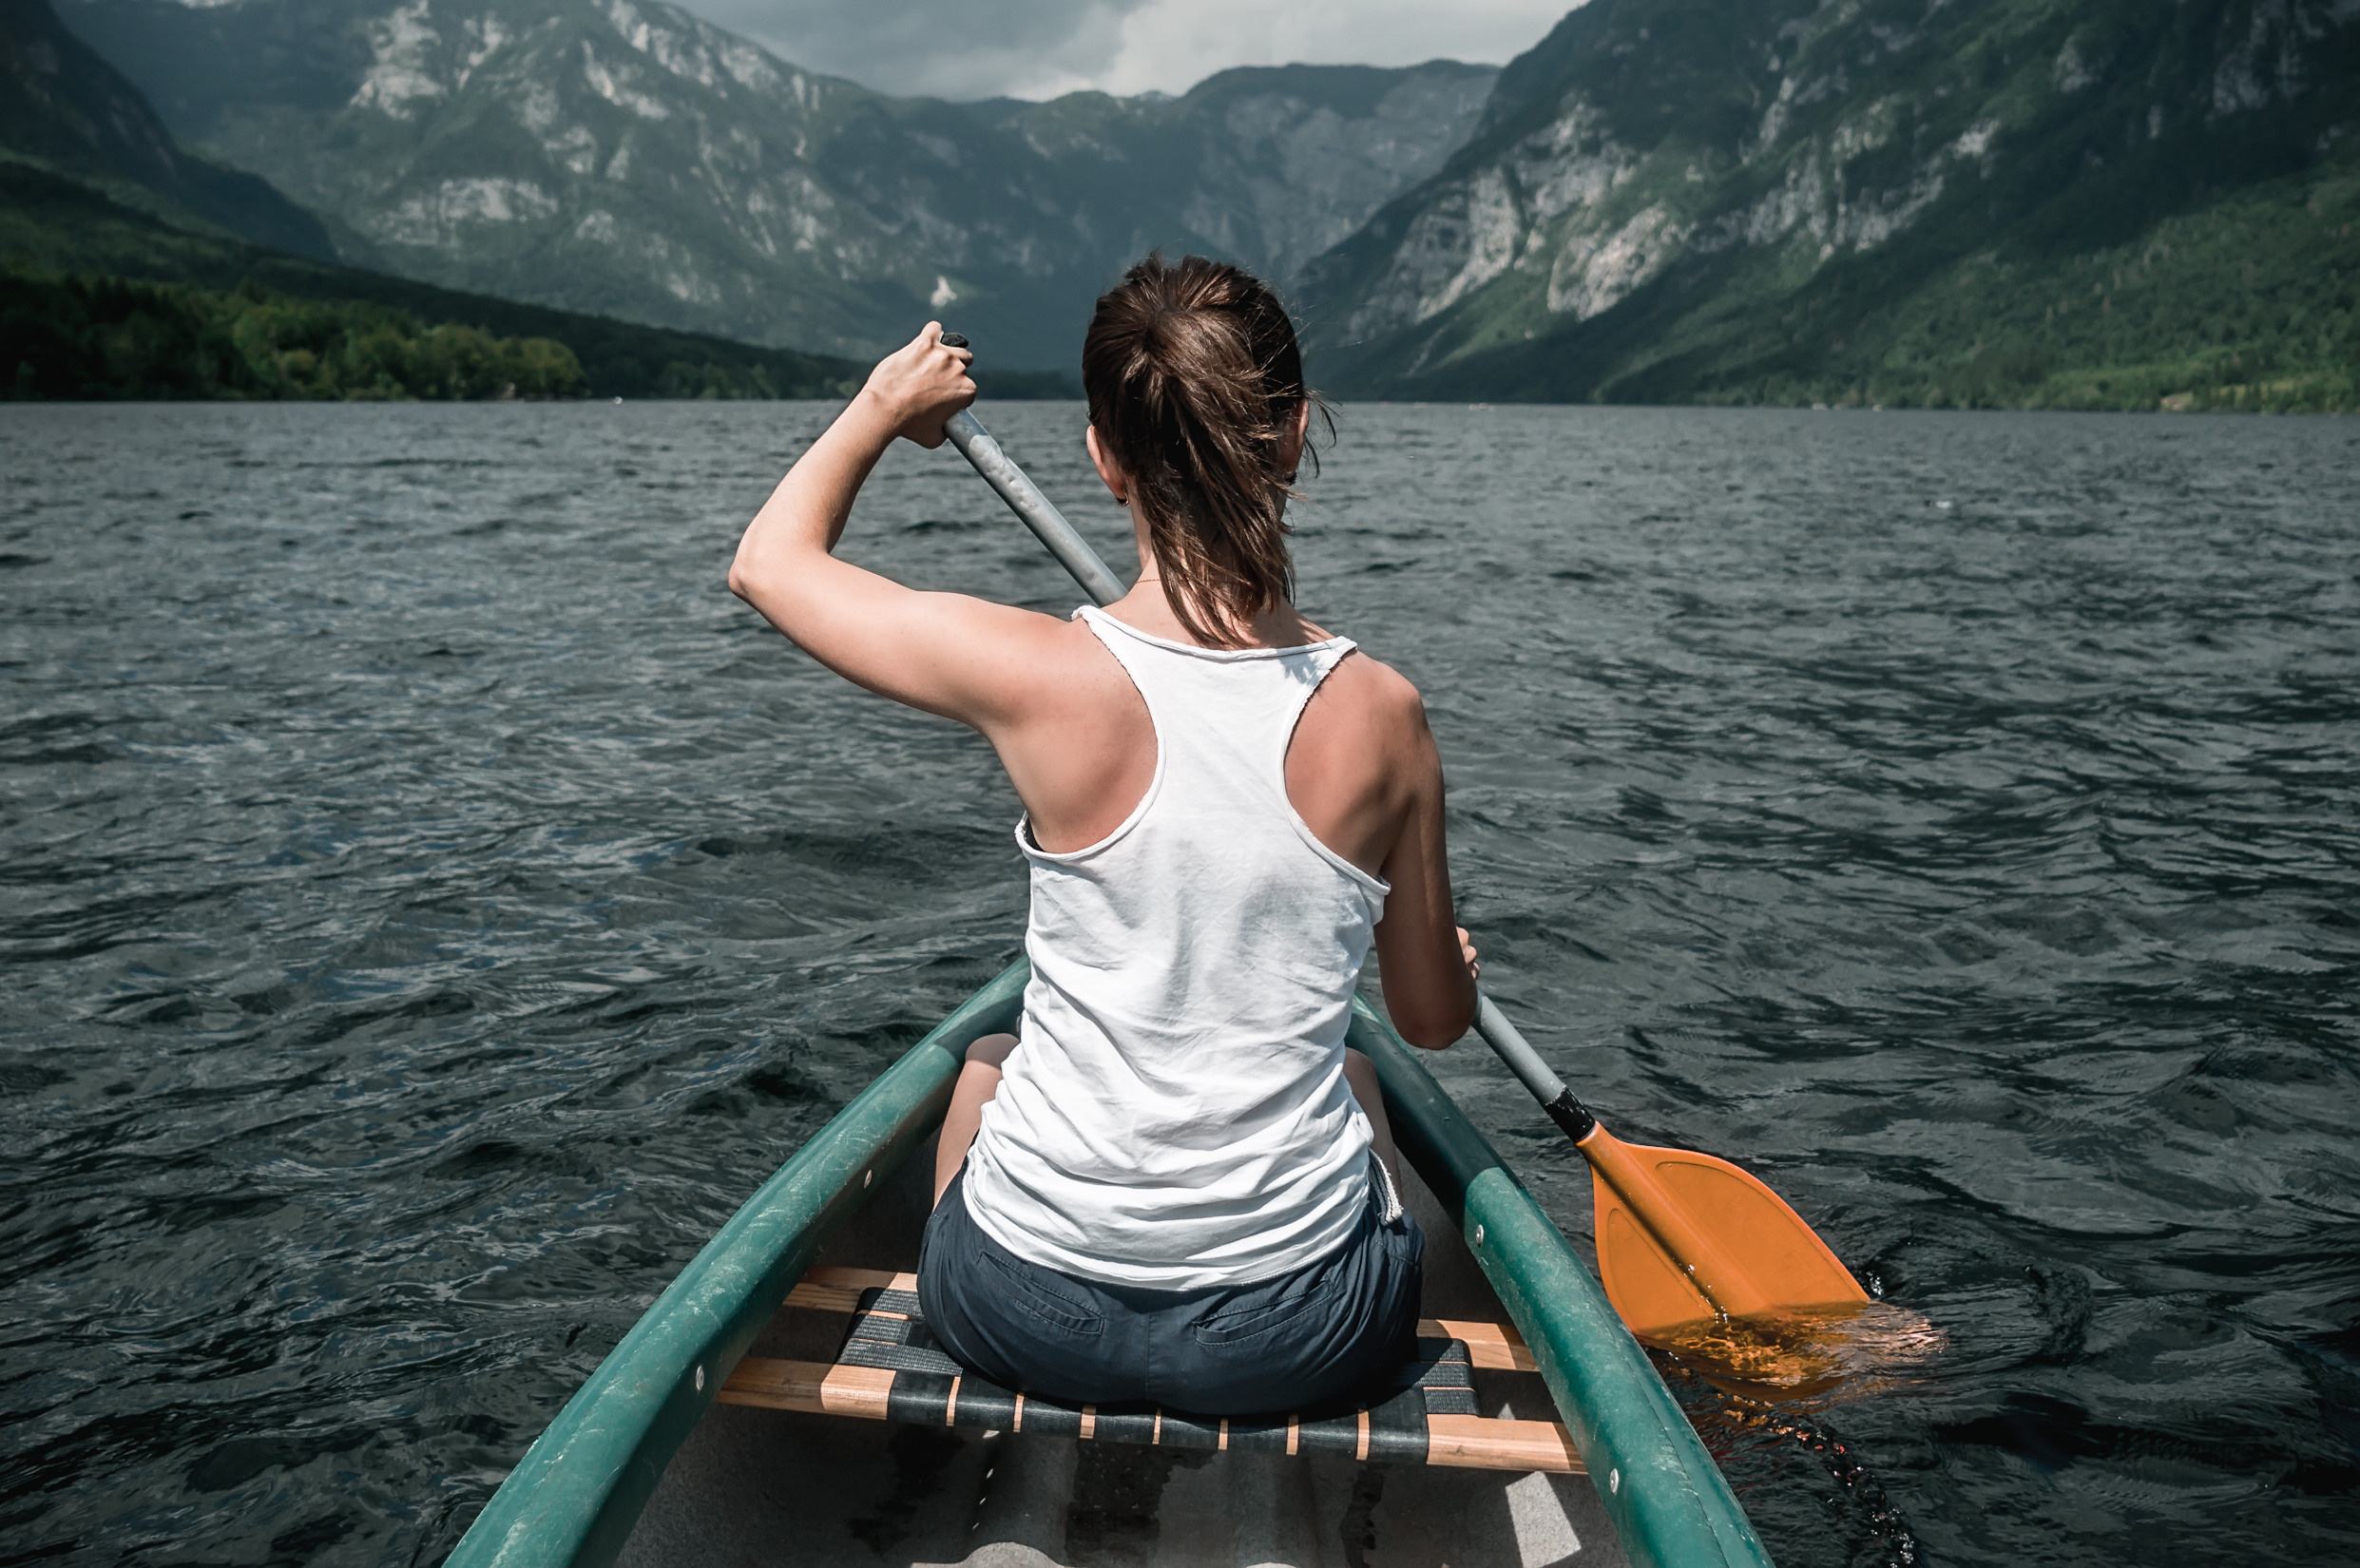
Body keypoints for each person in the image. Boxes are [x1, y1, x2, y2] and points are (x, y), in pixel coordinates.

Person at [728, 255, 1479, 1416]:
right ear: (1290, 436)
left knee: (985, 1061)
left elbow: (768, 565)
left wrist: (881, 406)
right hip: (1288, 1343)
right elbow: (1429, 1019)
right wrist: (1449, 968)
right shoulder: (1384, 714)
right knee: (1359, 1071)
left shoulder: (1037, 676)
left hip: (1024, 1312)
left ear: (1103, 458)